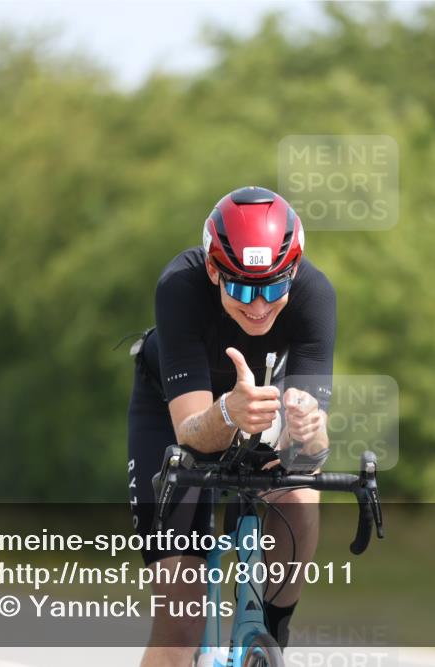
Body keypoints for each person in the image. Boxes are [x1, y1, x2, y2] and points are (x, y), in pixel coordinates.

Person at [127, 186, 336, 667]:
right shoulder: (180, 286)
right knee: (181, 627)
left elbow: (311, 450)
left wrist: (307, 431)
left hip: (259, 406)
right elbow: (191, 433)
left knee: (300, 491)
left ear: (295, 271)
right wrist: (228, 412)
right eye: (242, 288)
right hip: (174, 415)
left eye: (274, 287)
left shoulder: (315, 296)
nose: (259, 306)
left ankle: (274, 632)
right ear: (214, 270)